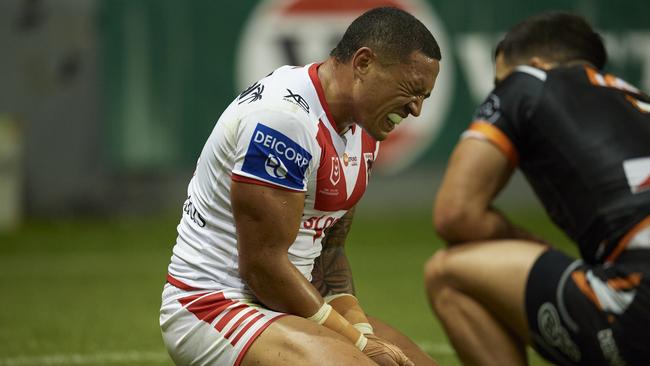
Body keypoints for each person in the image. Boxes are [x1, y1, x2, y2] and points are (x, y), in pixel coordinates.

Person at [160, 7, 441, 366]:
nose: (415, 109)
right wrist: (356, 342)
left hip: (286, 305)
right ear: (364, 63)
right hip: (215, 307)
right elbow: (264, 267)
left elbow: (328, 250)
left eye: (425, 98)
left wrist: (357, 324)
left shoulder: (364, 126)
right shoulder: (284, 120)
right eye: (411, 90)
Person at [425, 11, 650, 366]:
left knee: (446, 273)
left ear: (535, 63)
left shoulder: (528, 80)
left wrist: (524, 240)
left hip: (638, 300)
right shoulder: (636, 101)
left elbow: (455, 214)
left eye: (500, 81)